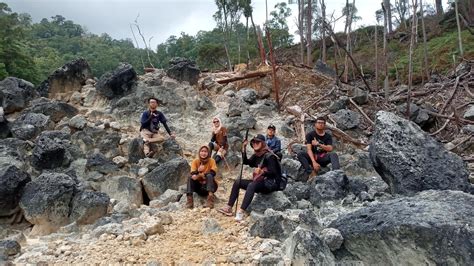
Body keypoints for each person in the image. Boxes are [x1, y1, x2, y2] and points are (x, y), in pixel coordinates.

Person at [218, 134, 281, 222]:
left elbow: (274, 173)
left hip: (270, 183)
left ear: (263, 143)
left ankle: (240, 212)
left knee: (251, 185)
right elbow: (246, 162)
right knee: (237, 182)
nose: (255, 144)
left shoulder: (270, 156)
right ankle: (229, 207)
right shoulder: (256, 155)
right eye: (254, 142)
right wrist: (244, 148)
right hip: (260, 181)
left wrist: (263, 172)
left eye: (257, 142)